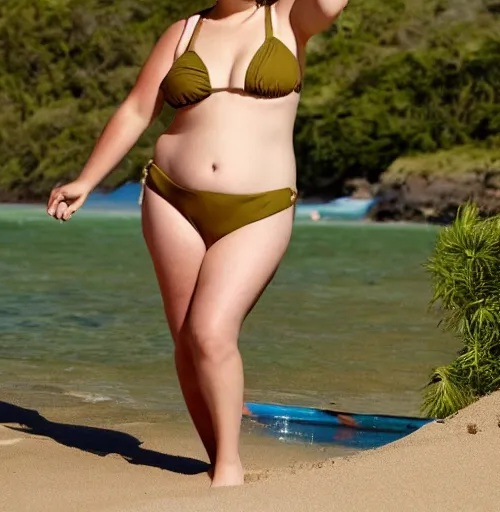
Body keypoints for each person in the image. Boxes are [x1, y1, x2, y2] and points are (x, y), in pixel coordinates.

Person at [46, 0, 348, 487]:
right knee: (187, 340)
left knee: (211, 331)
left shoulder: (293, 17)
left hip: (262, 205)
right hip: (172, 198)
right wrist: (87, 179)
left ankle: (229, 470)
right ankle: (216, 459)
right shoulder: (183, 32)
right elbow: (137, 109)